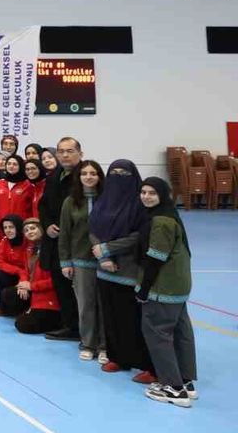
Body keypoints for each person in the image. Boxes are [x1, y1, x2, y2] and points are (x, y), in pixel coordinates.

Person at [90, 159, 154, 380]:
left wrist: (108, 248)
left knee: (132, 318)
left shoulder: (140, 205)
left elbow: (139, 236)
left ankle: (143, 361)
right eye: (114, 172)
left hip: (128, 270)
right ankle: (117, 357)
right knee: (110, 316)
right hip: (104, 269)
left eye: (124, 173)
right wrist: (103, 255)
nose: (118, 177)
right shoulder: (102, 201)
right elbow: (93, 229)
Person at [135, 177, 197, 408]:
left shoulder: (161, 222)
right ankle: (186, 381)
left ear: (163, 195)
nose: (146, 197)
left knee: (157, 333)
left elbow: (155, 258)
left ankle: (173, 388)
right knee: (181, 332)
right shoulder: (171, 215)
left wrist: (144, 289)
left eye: (152, 193)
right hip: (178, 285)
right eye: (143, 192)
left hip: (163, 287)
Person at [59, 159, 106, 361]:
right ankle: (88, 343)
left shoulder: (107, 200)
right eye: (84, 173)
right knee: (85, 305)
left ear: (99, 177)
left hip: (105, 261)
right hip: (80, 261)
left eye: (93, 173)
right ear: (78, 177)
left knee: (104, 305)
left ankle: (104, 346)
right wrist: (65, 261)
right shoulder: (70, 202)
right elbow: (65, 233)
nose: (89, 177)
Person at [39, 137, 82, 342]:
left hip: (78, 242)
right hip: (55, 240)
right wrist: (47, 225)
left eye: (70, 151)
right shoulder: (53, 176)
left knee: (80, 289)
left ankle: (86, 329)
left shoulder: (86, 174)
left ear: (80, 153)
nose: (65, 155)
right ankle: (70, 325)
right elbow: (43, 205)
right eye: (61, 151)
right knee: (62, 286)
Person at [15, 218, 63, 335]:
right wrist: (23, 283)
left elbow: (56, 280)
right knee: (9, 296)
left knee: (23, 325)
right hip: (35, 291)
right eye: (26, 230)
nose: (29, 232)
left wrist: (31, 286)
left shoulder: (52, 248)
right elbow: (24, 270)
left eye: (33, 228)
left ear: (41, 229)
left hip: (49, 295)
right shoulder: (30, 249)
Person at [0, 215, 28, 316]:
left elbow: (29, 265)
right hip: (14, 273)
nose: (8, 230)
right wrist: (18, 271)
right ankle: (2, 306)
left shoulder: (27, 241)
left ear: (18, 227)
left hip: (27, 276)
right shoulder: (5, 241)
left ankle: (25, 308)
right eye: (5, 227)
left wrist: (23, 280)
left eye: (11, 227)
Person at [0, 155, 33, 225]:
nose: (11, 166)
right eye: (9, 164)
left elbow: (31, 208)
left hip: (22, 225)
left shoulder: (28, 185)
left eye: (15, 164)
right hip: (3, 225)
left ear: (20, 166)